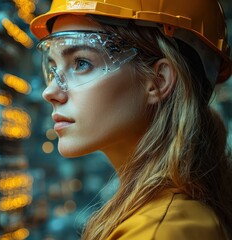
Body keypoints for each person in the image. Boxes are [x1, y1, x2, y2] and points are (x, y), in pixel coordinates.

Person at [30, 0, 232, 240]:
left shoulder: (162, 231)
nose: (50, 91)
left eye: (81, 63)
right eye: (53, 68)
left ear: (158, 81)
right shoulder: (166, 217)